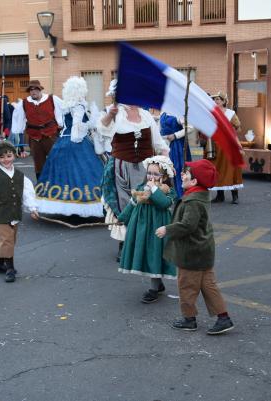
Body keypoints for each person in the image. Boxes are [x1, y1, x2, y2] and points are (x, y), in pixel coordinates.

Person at [155, 159, 234, 335]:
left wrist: (166, 229)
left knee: (186, 286)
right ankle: (223, 318)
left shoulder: (193, 201)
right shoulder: (199, 196)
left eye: (187, 173)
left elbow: (187, 226)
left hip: (192, 252)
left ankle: (189, 319)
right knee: (208, 285)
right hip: (203, 250)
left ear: (194, 182)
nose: (182, 174)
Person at [96, 79, 169, 262]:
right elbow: (102, 130)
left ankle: (142, 241)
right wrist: (109, 115)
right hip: (121, 166)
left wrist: (165, 158)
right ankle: (123, 244)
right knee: (125, 204)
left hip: (146, 168)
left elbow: (157, 141)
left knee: (144, 201)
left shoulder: (145, 116)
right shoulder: (115, 113)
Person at [34, 76, 104, 217]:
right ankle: (81, 207)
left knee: (61, 175)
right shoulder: (78, 105)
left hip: (62, 142)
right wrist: (93, 121)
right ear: (79, 91)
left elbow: (64, 125)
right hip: (76, 143)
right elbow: (77, 131)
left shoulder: (66, 106)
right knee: (84, 173)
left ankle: (64, 206)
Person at [0, 141, 40, 283]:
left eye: (9, 156)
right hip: (0, 213)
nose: (6, 160)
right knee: (7, 240)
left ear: (14, 156)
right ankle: (10, 268)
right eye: (2, 157)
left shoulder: (20, 176)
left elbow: (27, 194)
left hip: (14, 213)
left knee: (9, 240)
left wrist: (33, 209)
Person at [118, 155, 177, 303]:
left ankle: (153, 289)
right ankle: (157, 284)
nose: (151, 176)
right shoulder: (140, 188)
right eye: (149, 173)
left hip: (157, 228)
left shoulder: (168, 191)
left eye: (155, 174)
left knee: (154, 254)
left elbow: (163, 204)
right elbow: (133, 203)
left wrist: (154, 189)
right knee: (145, 253)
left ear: (163, 176)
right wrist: (122, 218)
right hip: (142, 227)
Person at [16, 80, 63, 182]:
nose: (33, 92)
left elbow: (61, 113)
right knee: (38, 163)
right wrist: (18, 131)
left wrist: (61, 125)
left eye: (35, 89)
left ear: (40, 89)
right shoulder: (24, 103)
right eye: (31, 90)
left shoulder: (52, 99)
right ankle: (41, 186)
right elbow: (19, 120)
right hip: (34, 136)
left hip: (51, 134)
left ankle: (57, 184)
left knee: (55, 160)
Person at [207, 92, 243, 204]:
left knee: (232, 169)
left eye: (218, 99)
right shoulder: (212, 113)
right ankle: (220, 195)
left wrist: (229, 132)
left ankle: (235, 196)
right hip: (216, 146)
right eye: (215, 99)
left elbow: (238, 128)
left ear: (223, 101)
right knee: (217, 169)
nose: (216, 101)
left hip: (229, 145)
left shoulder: (230, 113)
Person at [159, 112, 192, 197]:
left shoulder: (177, 111)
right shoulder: (163, 111)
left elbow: (190, 127)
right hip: (165, 144)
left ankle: (182, 195)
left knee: (178, 169)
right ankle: (169, 194)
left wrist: (175, 135)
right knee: (165, 170)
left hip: (177, 145)